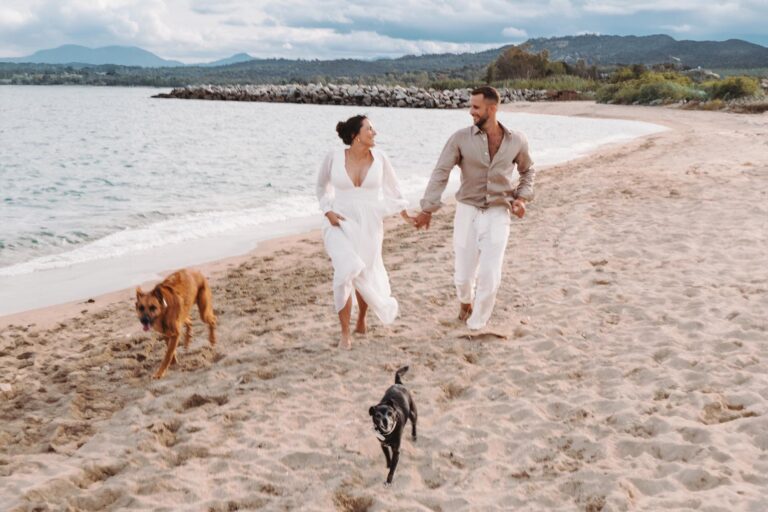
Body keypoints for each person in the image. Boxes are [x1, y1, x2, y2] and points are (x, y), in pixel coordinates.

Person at [414, 86, 535, 331]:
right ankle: (465, 303)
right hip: (467, 212)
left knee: (490, 275)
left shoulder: (517, 140)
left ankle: (476, 324)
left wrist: (521, 198)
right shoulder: (460, 138)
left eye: (476, 107)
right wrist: (428, 208)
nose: (471, 112)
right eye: (470, 107)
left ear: (492, 109)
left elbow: (528, 171)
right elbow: (441, 172)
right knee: (463, 277)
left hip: (499, 212)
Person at [316, 115, 415, 348]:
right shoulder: (333, 157)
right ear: (355, 135)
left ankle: (361, 319)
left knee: (366, 272)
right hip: (339, 222)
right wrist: (327, 211)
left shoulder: (381, 158)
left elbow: (394, 190)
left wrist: (405, 214)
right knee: (345, 271)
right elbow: (321, 187)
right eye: (369, 129)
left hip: (370, 224)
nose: (374, 133)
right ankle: (344, 333)